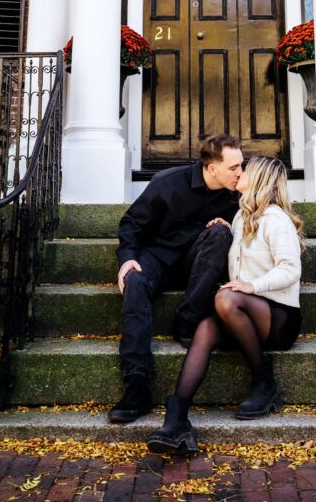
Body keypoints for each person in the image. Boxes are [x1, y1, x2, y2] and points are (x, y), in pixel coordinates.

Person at [147, 155, 304, 454]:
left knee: (225, 297)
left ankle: (264, 382)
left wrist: (251, 286)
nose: (239, 173)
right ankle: (177, 419)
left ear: (258, 179)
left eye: (245, 169)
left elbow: (290, 269)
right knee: (206, 327)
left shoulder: (276, 219)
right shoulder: (240, 217)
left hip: (280, 318)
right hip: (244, 312)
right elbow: (240, 260)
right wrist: (229, 234)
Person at [108, 134, 243, 423]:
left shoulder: (237, 194)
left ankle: (187, 323)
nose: (240, 173)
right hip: (157, 258)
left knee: (220, 233)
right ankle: (137, 383)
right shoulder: (168, 182)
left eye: (241, 166)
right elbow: (132, 222)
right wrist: (127, 257)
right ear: (211, 168)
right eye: (234, 167)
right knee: (134, 281)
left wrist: (231, 226)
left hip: (198, 263)